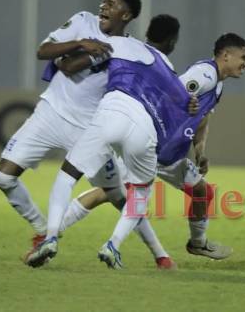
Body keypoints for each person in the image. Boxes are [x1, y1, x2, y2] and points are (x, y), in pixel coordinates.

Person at [0, 0, 176, 269]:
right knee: (2, 178)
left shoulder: (126, 48)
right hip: (50, 113)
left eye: (111, 3)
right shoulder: (83, 21)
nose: (103, 4)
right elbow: (44, 52)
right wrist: (82, 42)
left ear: (125, 15)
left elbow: (71, 66)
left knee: (117, 195)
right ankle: (43, 229)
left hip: (89, 126)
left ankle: (160, 254)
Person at [59, 33, 245, 260]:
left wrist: (199, 151)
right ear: (226, 55)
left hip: (171, 154)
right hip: (150, 145)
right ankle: (53, 232)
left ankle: (197, 244)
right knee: (108, 193)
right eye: (243, 57)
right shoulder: (204, 74)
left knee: (201, 192)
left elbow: (203, 116)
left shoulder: (217, 85)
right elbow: (170, 94)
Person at [24, 35, 194, 269]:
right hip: (141, 131)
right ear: (172, 44)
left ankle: (50, 236)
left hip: (107, 119)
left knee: (76, 179)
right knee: (133, 196)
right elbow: (183, 106)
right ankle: (127, 249)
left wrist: (68, 55)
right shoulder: (166, 68)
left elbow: (68, 65)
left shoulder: (119, 44)